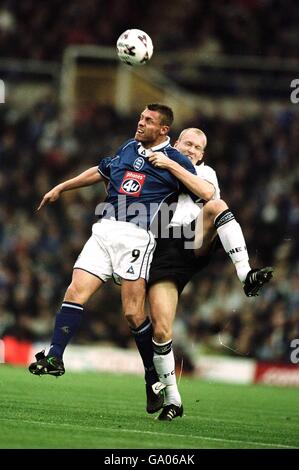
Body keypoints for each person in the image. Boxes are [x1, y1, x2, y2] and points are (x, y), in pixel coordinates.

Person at [28, 105, 208, 420]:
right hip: (105, 229)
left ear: (164, 129)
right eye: (141, 118)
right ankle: (55, 357)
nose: (141, 122)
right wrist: (61, 187)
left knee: (132, 313)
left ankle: (152, 376)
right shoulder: (128, 147)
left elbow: (205, 190)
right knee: (75, 290)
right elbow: (100, 171)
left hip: (138, 237)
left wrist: (169, 164)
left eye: (148, 121)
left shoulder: (176, 159)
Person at [135, 127, 273, 421]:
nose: (192, 150)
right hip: (161, 251)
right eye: (188, 144)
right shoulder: (152, 164)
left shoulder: (205, 172)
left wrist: (171, 164)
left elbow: (207, 194)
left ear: (202, 154)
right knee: (161, 330)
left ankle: (245, 273)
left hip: (193, 238)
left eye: (198, 147)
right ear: (176, 142)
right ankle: (173, 399)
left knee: (217, 205)